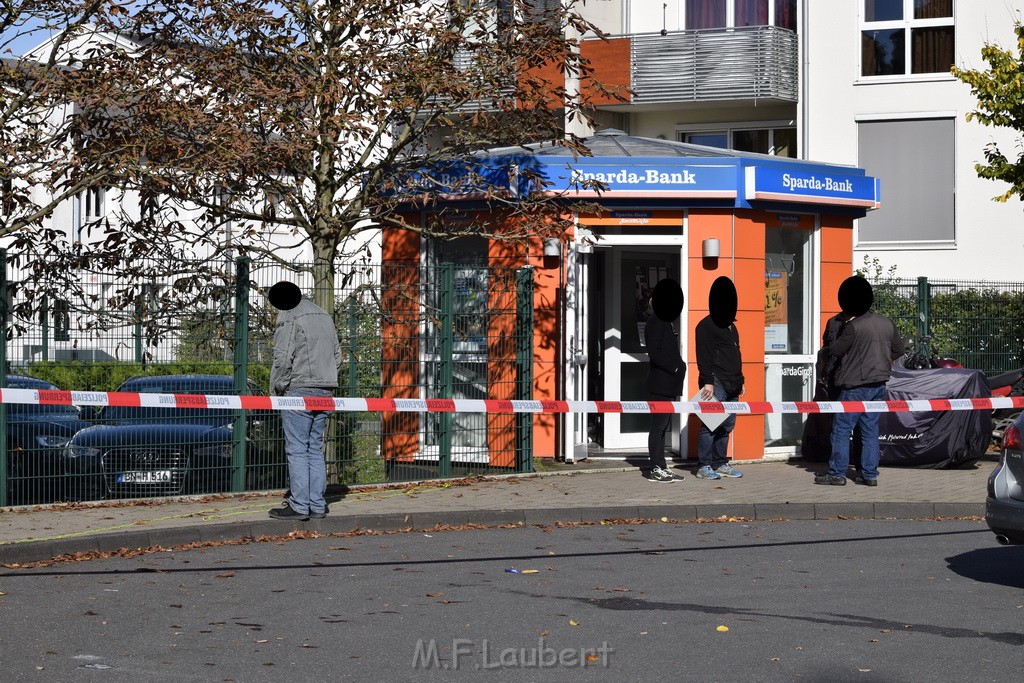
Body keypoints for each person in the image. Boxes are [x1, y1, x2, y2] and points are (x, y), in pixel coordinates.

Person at [814, 276, 904, 487]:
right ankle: (869, 474)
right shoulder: (886, 323)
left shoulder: (854, 326)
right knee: (870, 429)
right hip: (878, 384)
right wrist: (882, 357)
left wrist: (823, 354)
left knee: (841, 429)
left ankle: (836, 473)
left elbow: (836, 350)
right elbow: (899, 350)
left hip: (854, 385)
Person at [267, 281, 342, 520]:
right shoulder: (324, 316)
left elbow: (282, 357)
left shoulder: (289, 315)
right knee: (314, 449)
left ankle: (299, 506)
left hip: (299, 390)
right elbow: (338, 356)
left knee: (297, 449)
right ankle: (317, 505)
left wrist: (279, 388)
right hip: (326, 390)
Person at [694, 276, 744, 480]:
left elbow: (736, 354)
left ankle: (720, 462)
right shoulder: (705, 326)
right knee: (710, 423)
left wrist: (742, 381)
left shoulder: (732, 326)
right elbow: (703, 355)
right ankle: (704, 466)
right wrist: (708, 381)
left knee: (727, 425)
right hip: (715, 382)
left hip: (733, 382)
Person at [645, 278, 686, 483]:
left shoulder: (666, 321)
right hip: (661, 383)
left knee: (663, 427)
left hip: (669, 384)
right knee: (658, 427)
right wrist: (676, 367)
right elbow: (654, 353)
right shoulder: (655, 321)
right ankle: (655, 468)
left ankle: (662, 465)